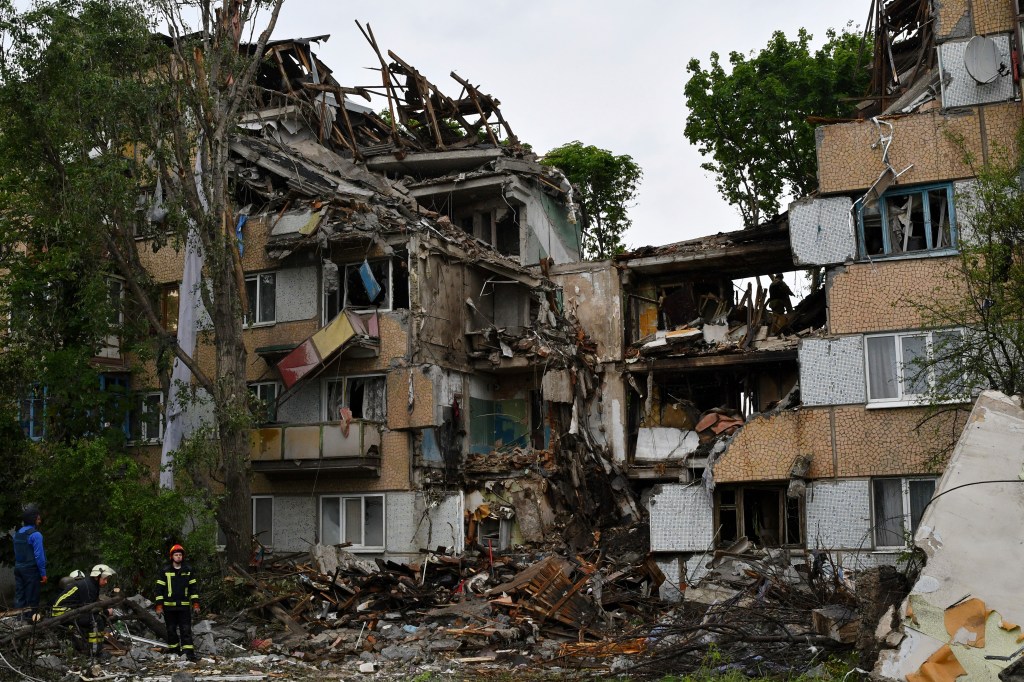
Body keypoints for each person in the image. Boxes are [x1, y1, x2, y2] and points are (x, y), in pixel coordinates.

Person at [52, 564, 116, 658]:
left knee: (93, 618)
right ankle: (95, 653)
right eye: (105, 579)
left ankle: (85, 645)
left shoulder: (91, 585)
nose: (106, 582)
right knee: (96, 621)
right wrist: (106, 612)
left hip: (69, 611)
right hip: (64, 613)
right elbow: (90, 609)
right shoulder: (89, 587)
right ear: (96, 577)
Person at [155, 544, 200, 662]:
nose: (178, 557)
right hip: (169, 607)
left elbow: (193, 589)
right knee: (171, 630)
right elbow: (159, 590)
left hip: (184, 606)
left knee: (186, 629)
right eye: (176, 555)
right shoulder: (165, 571)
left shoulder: (188, 570)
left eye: (180, 555)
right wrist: (159, 605)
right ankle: (174, 653)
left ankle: (188, 654)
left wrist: (195, 603)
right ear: (172, 557)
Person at [13, 504, 47, 620]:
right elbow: (39, 556)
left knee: (19, 596)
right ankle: (31, 624)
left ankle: (18, 621)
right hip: (30, 570)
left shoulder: (17, 534)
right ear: (33, 519)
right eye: (38, 518)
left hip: (18, 569)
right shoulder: (35, 535)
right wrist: (43, 573)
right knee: (32, 598)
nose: (40, 520)